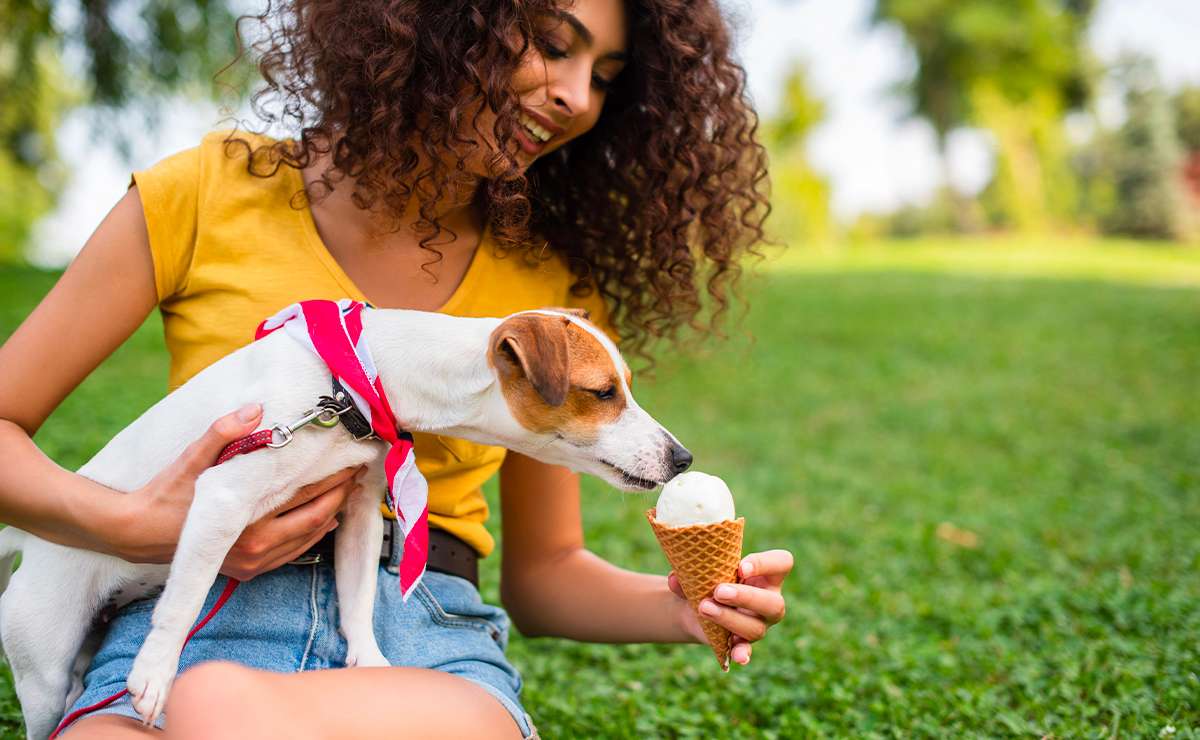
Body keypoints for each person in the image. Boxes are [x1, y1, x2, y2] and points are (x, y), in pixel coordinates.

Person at [0, 0, 794, 737]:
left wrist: (680, 608)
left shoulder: (552, 306)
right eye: (554, 46)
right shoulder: (203, 195)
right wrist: (139, 527)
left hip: (415, 636)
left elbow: (545, 573)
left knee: (219, 711)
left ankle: (230, 708)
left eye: (607, 79)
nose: (577, 97)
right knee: (207, 705)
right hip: (187, 613)